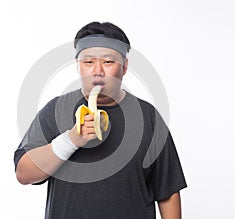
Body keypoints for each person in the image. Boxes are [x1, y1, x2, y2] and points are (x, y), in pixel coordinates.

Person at [14, 21, 187, 219]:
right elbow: (24, 173)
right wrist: (71, 140)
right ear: (78, 67)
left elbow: (167, 190)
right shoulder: (56, 110)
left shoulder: (147, 116)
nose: (98, 71)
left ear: (124, 67)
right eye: (88, 62)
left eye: (108, 62)